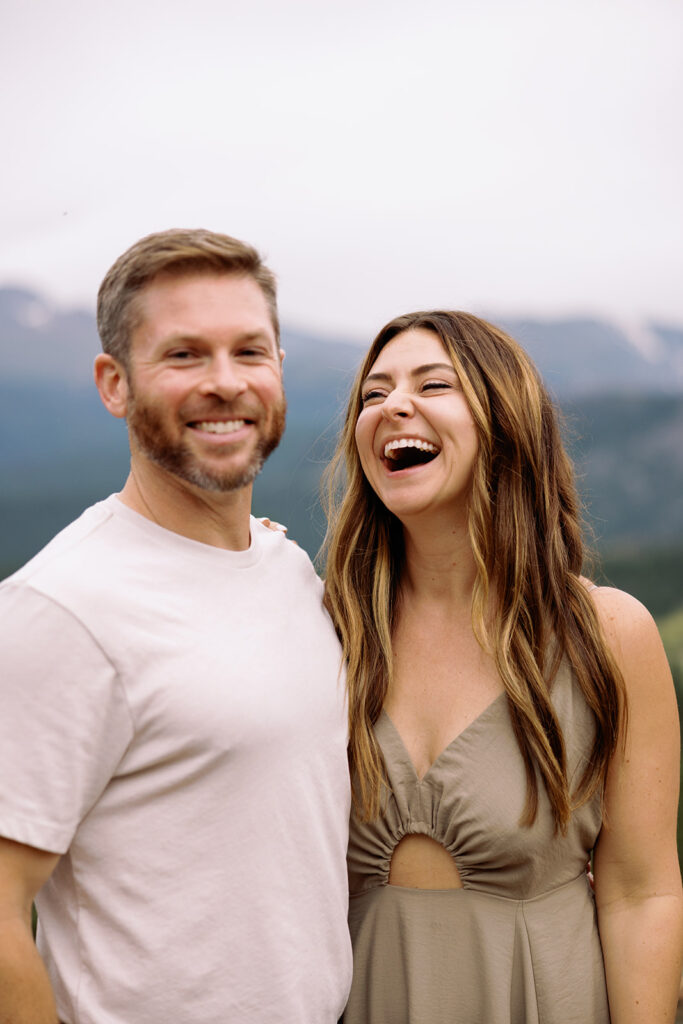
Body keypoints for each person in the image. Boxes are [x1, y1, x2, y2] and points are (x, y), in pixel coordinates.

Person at [0, 229, 352, 1024]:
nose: (225, 384)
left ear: (279, 370)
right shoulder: (60, 609)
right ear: (113, 384)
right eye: (184, 355)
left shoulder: (287, 569)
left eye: (248, 352)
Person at [323, 310, 683, 1023]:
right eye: (373, 394)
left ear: (505, 422)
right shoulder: (328, 630)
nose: (394, 405)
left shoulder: (605, 635)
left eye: (433, 384)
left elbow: (640, 893)